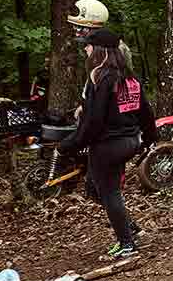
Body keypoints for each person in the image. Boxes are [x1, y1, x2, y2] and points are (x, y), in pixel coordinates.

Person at [57, 29, 155, 259]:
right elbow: (146, 111)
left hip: (108, 146)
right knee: (94, 188)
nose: (85, 49)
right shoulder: (129, 77)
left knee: (109, 192)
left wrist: (69, 145)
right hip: (129, 142)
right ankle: (129, 227)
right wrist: (148, 138)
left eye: (88, 46)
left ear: (99, 50)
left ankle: (126, 244)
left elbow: (94, 120)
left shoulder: (99, 78)